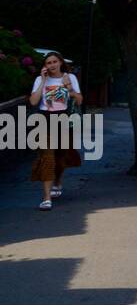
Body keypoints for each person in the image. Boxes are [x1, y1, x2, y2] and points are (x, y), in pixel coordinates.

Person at [28, 51, 83, 210]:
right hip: (45, 119)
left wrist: (68, 86)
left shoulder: (70, 77)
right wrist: (43, 81)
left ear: (60, 62)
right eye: (48, 63)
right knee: (47, 157)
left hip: (64, 119)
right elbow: (33, 101)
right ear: (45, 66)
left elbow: (79, 100)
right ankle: (46, 198)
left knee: (60, 157)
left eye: (54, 62)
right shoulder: (40, 79)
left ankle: (57, 182)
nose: (51, 65)